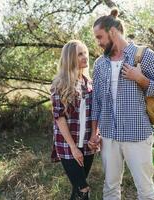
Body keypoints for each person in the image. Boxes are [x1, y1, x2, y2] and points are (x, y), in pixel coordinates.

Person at [88, 8, 154, 200]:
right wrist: (94, 133)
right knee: (110, 187)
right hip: (109, 136)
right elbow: (96, 102)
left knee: (145, 189)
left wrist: (140, 79)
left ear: (113, 32)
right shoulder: (100, 64)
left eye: (100, 37)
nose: (98, 43)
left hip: (138, 134)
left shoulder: (144, 56)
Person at [50, 40, 99, 200]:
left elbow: (95, 113)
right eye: (80, 54)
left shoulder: (90, 84)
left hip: (87, 145)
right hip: (67, 145)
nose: (85, 57)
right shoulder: (60, 84)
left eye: (85, 52)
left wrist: (94, 135)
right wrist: (73, 148)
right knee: (83, 188)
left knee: (77, 189)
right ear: (70, 58)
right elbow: (59, 117)